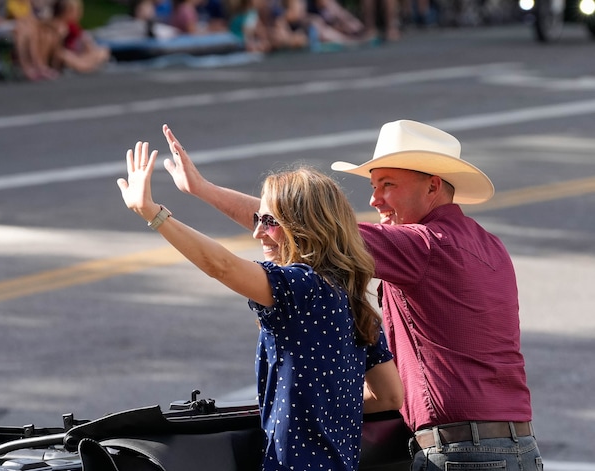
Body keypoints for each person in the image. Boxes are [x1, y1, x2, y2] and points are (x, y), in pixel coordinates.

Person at [159, 120, 542, 470]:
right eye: (373, 186)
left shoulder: (422, 245)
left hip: (462, 454)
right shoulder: (490, 245)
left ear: (433, 186)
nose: (375, 200)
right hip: (519, 448)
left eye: (388, 184)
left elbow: (308, 228)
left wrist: (202, 191)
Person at [117, 125, 404, 471]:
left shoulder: (300, 287)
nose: (256, 232)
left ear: (305, 227)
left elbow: (220, 265)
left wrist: (154, 213)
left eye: (269, 222)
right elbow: (389, 396)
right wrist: (322, 404)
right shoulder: (353, 299)